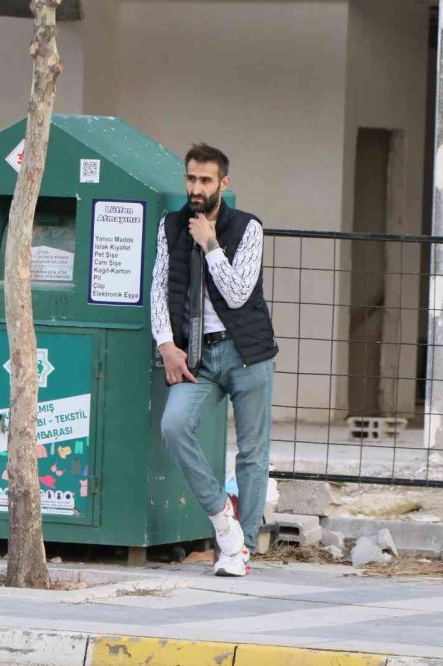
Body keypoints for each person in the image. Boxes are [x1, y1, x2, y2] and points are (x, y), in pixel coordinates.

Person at [151, 143, 278, 577]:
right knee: (174, 425)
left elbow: (239, 293)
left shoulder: (248, 228)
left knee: (252, 453)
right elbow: (157, 288)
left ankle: (241, 551)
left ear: (224, 183)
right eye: (191, 178)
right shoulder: (169, 227)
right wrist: (166, 344)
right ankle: (222, 518)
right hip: (196, 355)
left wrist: (210, 245)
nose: (196, 187)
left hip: (247, 353)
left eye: (205, 180)